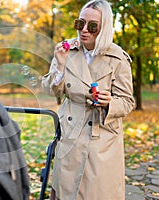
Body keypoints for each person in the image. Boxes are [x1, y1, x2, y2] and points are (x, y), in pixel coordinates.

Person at [41, 0, 136, 199]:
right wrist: (60, 65)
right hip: (71, 132)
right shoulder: (66, 51)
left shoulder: (118, 58)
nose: (84, 30)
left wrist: (109, 102)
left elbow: (127, 101)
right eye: (80, 23)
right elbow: (51, 90)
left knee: (97, 192)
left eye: (92, 26)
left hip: (102, 137)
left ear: (104, 29)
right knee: (67, 189)